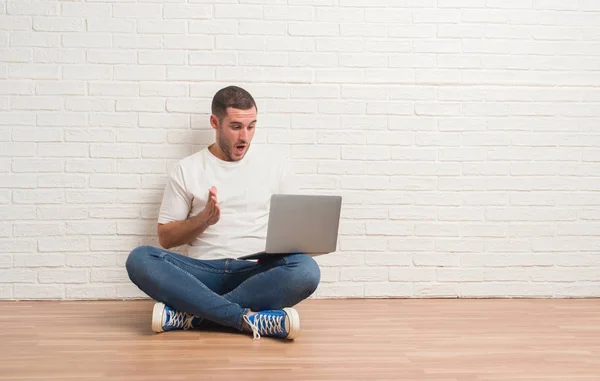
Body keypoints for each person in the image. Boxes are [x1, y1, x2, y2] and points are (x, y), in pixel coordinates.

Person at [125, 86, 320, 341]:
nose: (245, 137)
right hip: (200, 275)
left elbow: (291, 230)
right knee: (140, 258)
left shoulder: (277, 166)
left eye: (251, 126)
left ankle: (191, 316)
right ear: (215, 122)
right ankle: (246, 320)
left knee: (306, 270)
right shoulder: (187, 169)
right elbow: (166, 238)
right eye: (236, 126)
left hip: (254, 274)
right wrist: (203, 221)